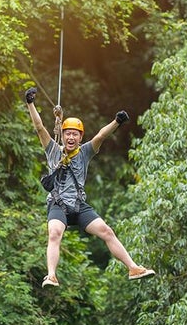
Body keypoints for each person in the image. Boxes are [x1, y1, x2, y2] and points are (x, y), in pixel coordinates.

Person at [24, 87, 155, 288]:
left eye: (75, 134)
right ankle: (51, 275)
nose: (70, 137)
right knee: (54, 233)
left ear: (80, 137)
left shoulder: (84, 152)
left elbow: (100, 136)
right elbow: (39, 127)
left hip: (78, 205)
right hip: (58, 204)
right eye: (67, 133)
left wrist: (117, 122)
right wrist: (30, 103)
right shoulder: (52, 150)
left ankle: (133, 268)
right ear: (62, 133)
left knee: (106, 231)